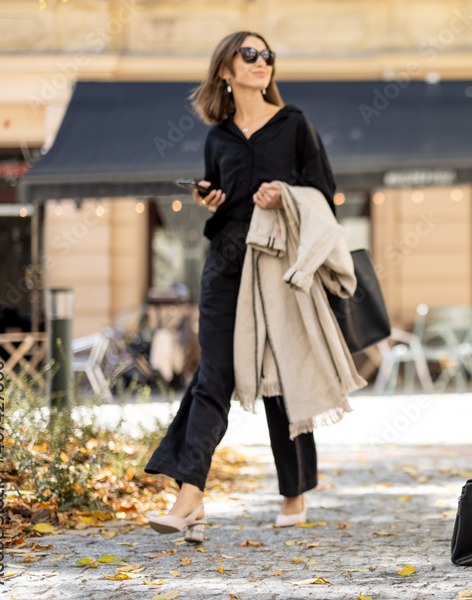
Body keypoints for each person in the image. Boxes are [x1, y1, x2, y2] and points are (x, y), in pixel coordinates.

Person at [145, 31, 345, 540]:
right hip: (225, 263)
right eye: (249, 55)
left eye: (267, 55)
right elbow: (220, 195)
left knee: (279, 375)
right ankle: (190, 494)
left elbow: (325, 190)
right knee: (213, 373)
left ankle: (294, 491)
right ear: (225, 72)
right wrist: (208, 199)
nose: (261, 62)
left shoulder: (293, 123)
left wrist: (288, 195)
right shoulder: (218, 137)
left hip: (275, 260)